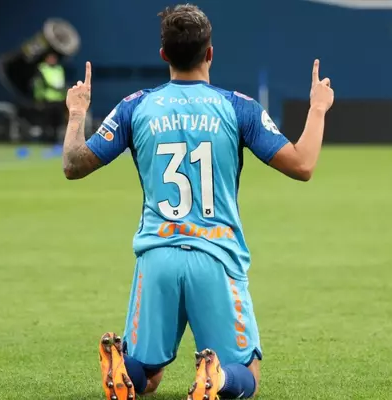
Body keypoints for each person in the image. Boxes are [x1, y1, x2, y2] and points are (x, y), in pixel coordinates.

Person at [61, 4, 334, 400]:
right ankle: (217, 379)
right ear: (210, 53)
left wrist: (76, 113)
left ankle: (125, 368)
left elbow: (73, 165)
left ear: (163, 55)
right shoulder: (238, 107)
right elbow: (302, 164)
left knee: (148, 376)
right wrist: (318, 108)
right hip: (215, 255)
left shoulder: (135, 106)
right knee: (247, 373)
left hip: (157, 257)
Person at [33, 53, 66, 142]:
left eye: (54, 58)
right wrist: (38, 98)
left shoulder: (59, 69)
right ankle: (45, 139)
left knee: (58, 121)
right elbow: (39, 85)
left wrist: (64, 95)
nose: (52, 60)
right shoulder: (42, 69)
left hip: (59, 99)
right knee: (47, 121)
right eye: (50, 58)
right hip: (47, 99)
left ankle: (56, 139)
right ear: (46, 59)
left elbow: (62, 82)